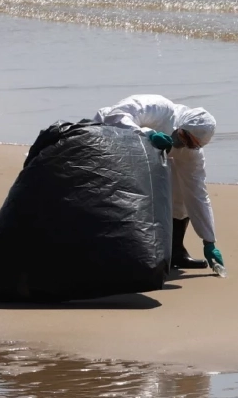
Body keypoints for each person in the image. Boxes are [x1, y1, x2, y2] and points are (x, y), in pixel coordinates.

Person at [94, 93, 223, 273]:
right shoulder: (160, 108)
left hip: (147, 156)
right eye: (184, 136)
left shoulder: (191, 154)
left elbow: (198, 195)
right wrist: (148, 135)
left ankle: (175, 251)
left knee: (181, 195)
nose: (183, 144)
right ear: (181, 125)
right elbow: (115, 117)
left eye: (191, 144)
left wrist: (209, 241)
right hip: (112, 139)